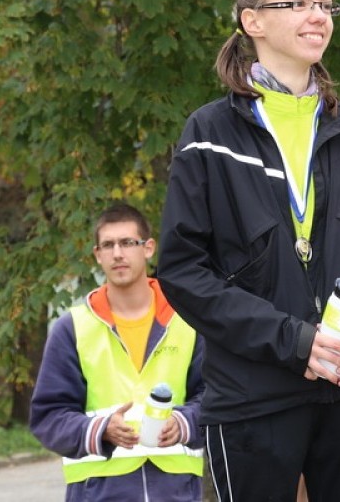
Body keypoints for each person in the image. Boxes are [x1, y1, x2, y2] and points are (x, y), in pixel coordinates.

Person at [156, 0, 340, 502]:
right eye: (296, 3)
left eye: (323, 4)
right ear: (253, 21)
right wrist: (295, 342)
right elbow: (182, 271)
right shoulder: (209, 131)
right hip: (254, 398)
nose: (317, 15)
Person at [30, 203, 205, 502]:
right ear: (97, 255)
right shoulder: (72, 328)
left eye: (127, 243)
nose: (118, 253)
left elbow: (218, 397)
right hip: (97, 493)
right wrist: (100, 429)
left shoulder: (188, 319)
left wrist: (184, 423)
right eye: (108, 245)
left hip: (176, 492)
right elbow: (48, 417)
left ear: (148, 248)